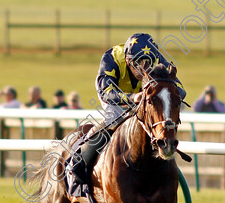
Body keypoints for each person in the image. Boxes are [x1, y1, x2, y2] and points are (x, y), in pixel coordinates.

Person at [68, 33, 186, 186]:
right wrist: (131, 98)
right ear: (128, 60)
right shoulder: (111, 58)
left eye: (148, 63)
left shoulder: (159, 60)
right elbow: (106, 93)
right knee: (115, 118)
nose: (144, 68)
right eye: (139, 63)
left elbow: (180, 89)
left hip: (145, 99)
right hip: (115, 97)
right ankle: (78, 162)